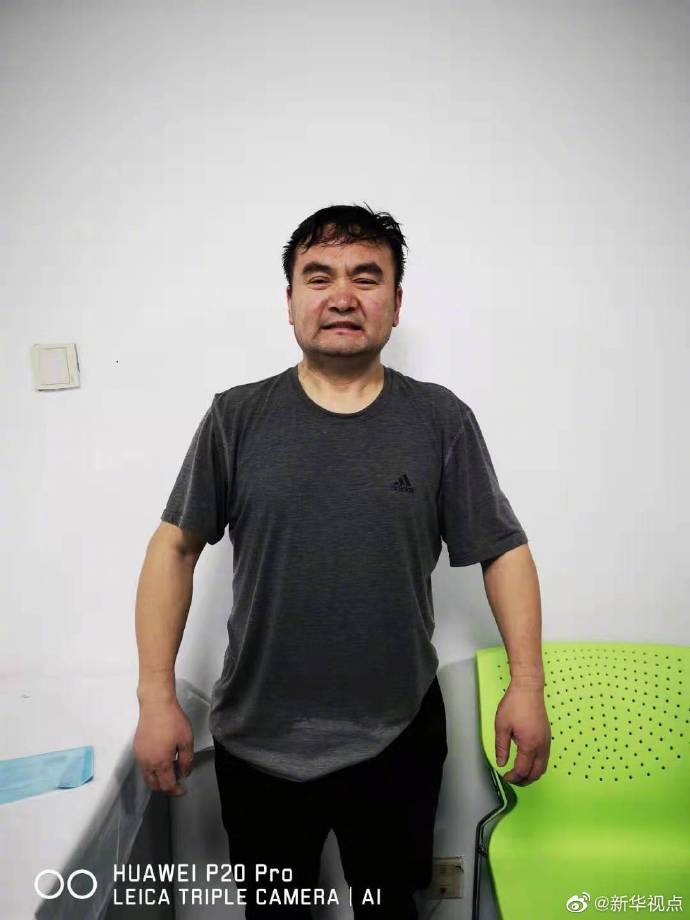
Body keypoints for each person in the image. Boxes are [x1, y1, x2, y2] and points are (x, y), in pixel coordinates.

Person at [133, 203, 551, 918]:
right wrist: (156, 697)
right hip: (257, 739)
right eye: (319, 277)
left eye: (366, 277)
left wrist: (528, 684)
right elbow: (174, 547)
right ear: (291, 300)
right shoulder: (237, 418)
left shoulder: (440, 420)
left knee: (391, 908)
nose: (342, 296)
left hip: (396, 735)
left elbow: (503, 549)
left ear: (396, 302)